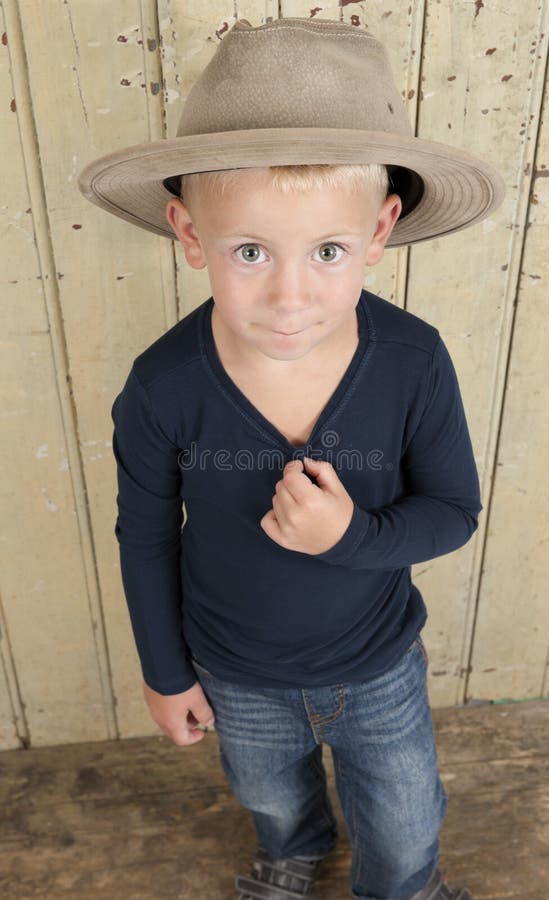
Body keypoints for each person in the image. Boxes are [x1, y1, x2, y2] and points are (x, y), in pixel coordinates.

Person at [78, 16, 505, 900]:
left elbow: (453, 510)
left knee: (404, 812)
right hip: (235, 669)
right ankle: (294, 848)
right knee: (268, 791)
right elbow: (146, 535)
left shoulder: (413, 361)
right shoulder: (164, 388)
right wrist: (165, 672)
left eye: (327, 251)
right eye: (247, 251)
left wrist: (347, 535)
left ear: (380, 230)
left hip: (378, 664)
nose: (289, 296)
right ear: (190, 235)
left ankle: (405, 888)